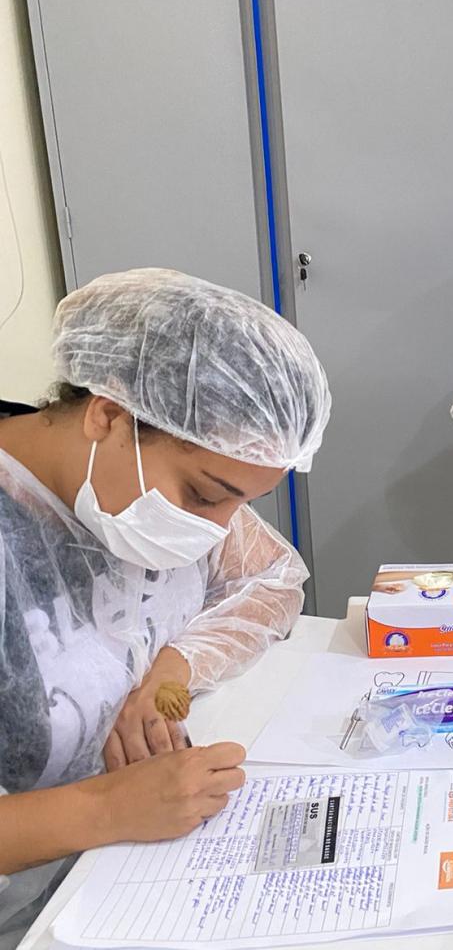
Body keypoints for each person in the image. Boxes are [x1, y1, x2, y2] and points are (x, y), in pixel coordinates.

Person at [0, 269, 331, 947]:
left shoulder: (140, 481)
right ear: (107, 415)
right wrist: (105, 808)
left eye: (243, 501)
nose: (217, 528)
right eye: (206, 495)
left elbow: (270, 578)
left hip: (127, 874)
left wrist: (171, 668)